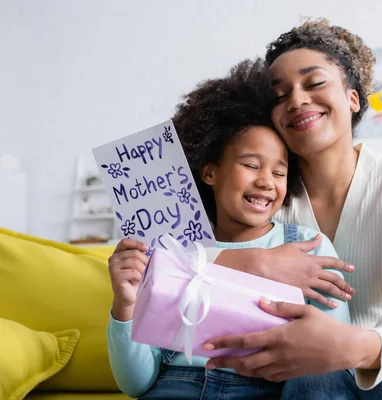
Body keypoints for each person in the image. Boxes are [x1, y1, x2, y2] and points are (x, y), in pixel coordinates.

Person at [200, 20, 382, 399]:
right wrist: (257, 263)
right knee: (310, 382)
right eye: (279, 94)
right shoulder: (262, 193)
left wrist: (349, 346)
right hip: (304, 365)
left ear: (353, 98)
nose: (296, 99)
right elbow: (177, 261)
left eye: (314, 83)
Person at [106, 59, 350, 400]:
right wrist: (124, 306)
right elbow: (135, 383)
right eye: (250, 165)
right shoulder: (170, 250)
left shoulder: (310, 248)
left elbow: (336, 357)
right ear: (209, 172)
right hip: (176, 385)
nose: (266, 181)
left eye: (279, 173)